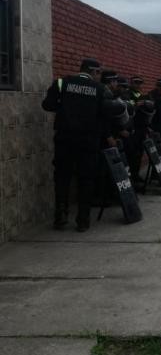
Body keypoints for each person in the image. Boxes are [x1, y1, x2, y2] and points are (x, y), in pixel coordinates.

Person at [42, 58, 112, 232]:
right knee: (86, 179)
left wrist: (65, 108)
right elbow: (106, 114)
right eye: (98, 73)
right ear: (93, 72)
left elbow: (47, 105)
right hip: (88, 141)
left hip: (65, 139)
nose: (99, 76)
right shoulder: (101, 89)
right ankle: (83, 220)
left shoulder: (61, 83)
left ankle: (60, 217)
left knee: (62, 177)